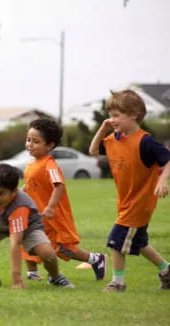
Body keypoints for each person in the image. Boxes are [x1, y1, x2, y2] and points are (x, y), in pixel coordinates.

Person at [89, 89, 170, 292]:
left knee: (115, 241)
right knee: (139, 243)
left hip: (139, 203)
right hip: (125, 202)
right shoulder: (115, 139)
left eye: (116, 115)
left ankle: (118, 283)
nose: (112, 120)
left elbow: (168, 159)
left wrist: (162, 180)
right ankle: (167, 271)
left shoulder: (145, 141)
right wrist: (103, 127)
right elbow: (92, 150)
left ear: (134, 114)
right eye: (110, 115)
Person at [21, 118, 106, 282]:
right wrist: (20, 193)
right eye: (28, 140)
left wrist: (51, 207)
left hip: (52, 217)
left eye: (35, 141)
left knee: (61, 248)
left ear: (49, 145)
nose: (30, 144)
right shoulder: (31, 164)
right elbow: (31, 185)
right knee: (28, 240)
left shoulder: (49, 164)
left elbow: (58, 185)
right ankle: (32, 273)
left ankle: (95, 259)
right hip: (35, 215)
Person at [0, 160, 74, 289]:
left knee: (47, 253)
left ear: (14, 193)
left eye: (1, 193)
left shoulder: (20, 207)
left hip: (28, 226)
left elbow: (16, 243)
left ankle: (55, 277)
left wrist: (16, 279)